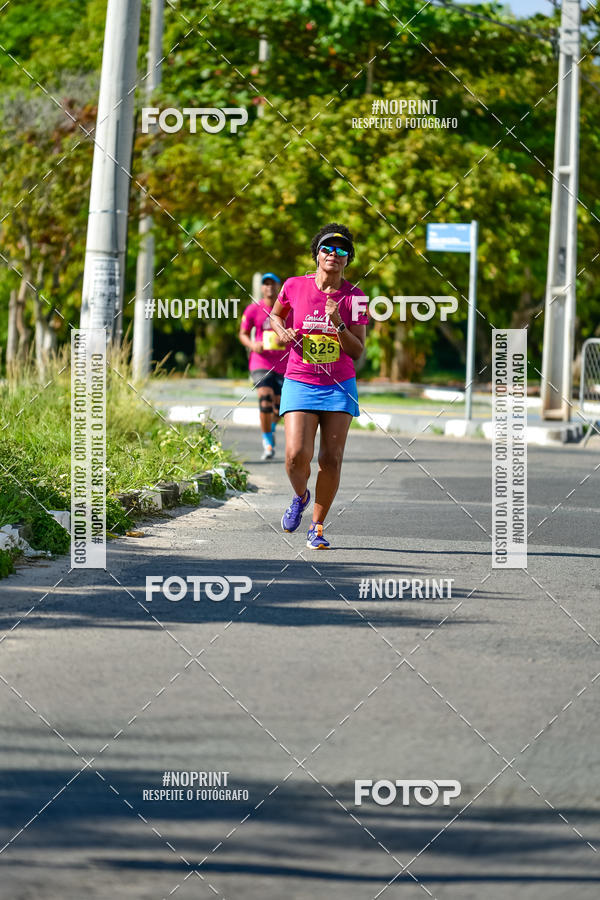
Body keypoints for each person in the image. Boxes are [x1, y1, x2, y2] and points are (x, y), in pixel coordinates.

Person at [269, 224, 368, 549]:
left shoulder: (355, 297)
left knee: (331, 458)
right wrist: (282, 332)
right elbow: (275, 316)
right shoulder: (294, 286)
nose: (334, 255)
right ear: (317, 254)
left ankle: (318, 527)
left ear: (347, 260)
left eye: (342, 251)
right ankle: (300, 495)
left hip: (339, 384)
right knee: (296, 455)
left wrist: (338, 323)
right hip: (300, 379)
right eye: (328, 249)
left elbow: (357, 350)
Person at [239, 273, 288, 460]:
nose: (269, 288)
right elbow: (243, 333)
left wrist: (285, 337)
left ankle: (272, 426)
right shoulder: (253, 309)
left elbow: (297, 331)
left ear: (278, 287)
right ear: (262, 288)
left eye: (273, 284)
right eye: (265, 284)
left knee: (279, 408)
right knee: (265, 399)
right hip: (261, 361)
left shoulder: (288, 308)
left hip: (284, 363)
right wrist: (252, 345)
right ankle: (267, 442)